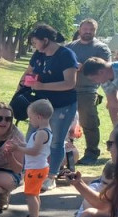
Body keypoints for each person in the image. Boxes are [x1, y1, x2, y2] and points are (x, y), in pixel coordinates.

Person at [21, 24, 78, 191]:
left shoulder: (66, 55)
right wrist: (22, 87)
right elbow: (29, 72)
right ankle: (28, 171)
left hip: (62, 105)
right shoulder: (39, 54)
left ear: (45, 40)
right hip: (40, 105)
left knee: (57, 141)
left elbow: (70, 83)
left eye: (35, 42)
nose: (34, 46)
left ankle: (51, 176)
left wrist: (42, 86)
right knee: (31, 137)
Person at [66, 19, 112, 165]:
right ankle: (67, 151)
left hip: (88, 90)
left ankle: (92, 153)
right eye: (85, 29)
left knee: (89, 122)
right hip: (68, 89)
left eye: (91, 29)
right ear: (79, 29)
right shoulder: (70, 46)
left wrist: (83, 67)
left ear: (95, 31)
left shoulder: (101, 48)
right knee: (66, 122)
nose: (87, 32)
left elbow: (105, 68)